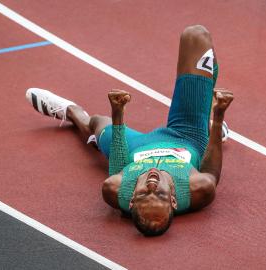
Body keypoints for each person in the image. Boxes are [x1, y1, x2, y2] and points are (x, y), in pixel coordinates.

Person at [26, 25, 234, 236]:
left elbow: (119, 167)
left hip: (136, 148)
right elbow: (211, 172)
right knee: (196, 36)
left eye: (144, 194)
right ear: (173, 199)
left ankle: (70, 111)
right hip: (187, 136)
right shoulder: (198, 188)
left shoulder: (114, 190)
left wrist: (117, 114)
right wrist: (217, 119)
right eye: (160, 195)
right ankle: (209, 127)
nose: (152, 185)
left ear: (132, 199)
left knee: (98, 122)